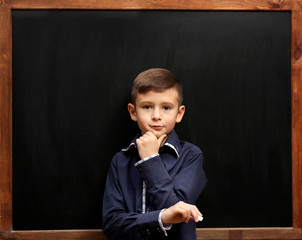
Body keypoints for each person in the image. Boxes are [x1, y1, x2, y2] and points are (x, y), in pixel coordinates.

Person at [102, 68, 207, 239]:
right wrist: (162, 217)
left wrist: (150, 160)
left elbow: (178, 213)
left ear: (179, 113)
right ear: (133, 112)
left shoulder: (191, 156)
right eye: (147, 107)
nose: (156, 116)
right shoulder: (120, 161)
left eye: (166, 107)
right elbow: (112, 224)